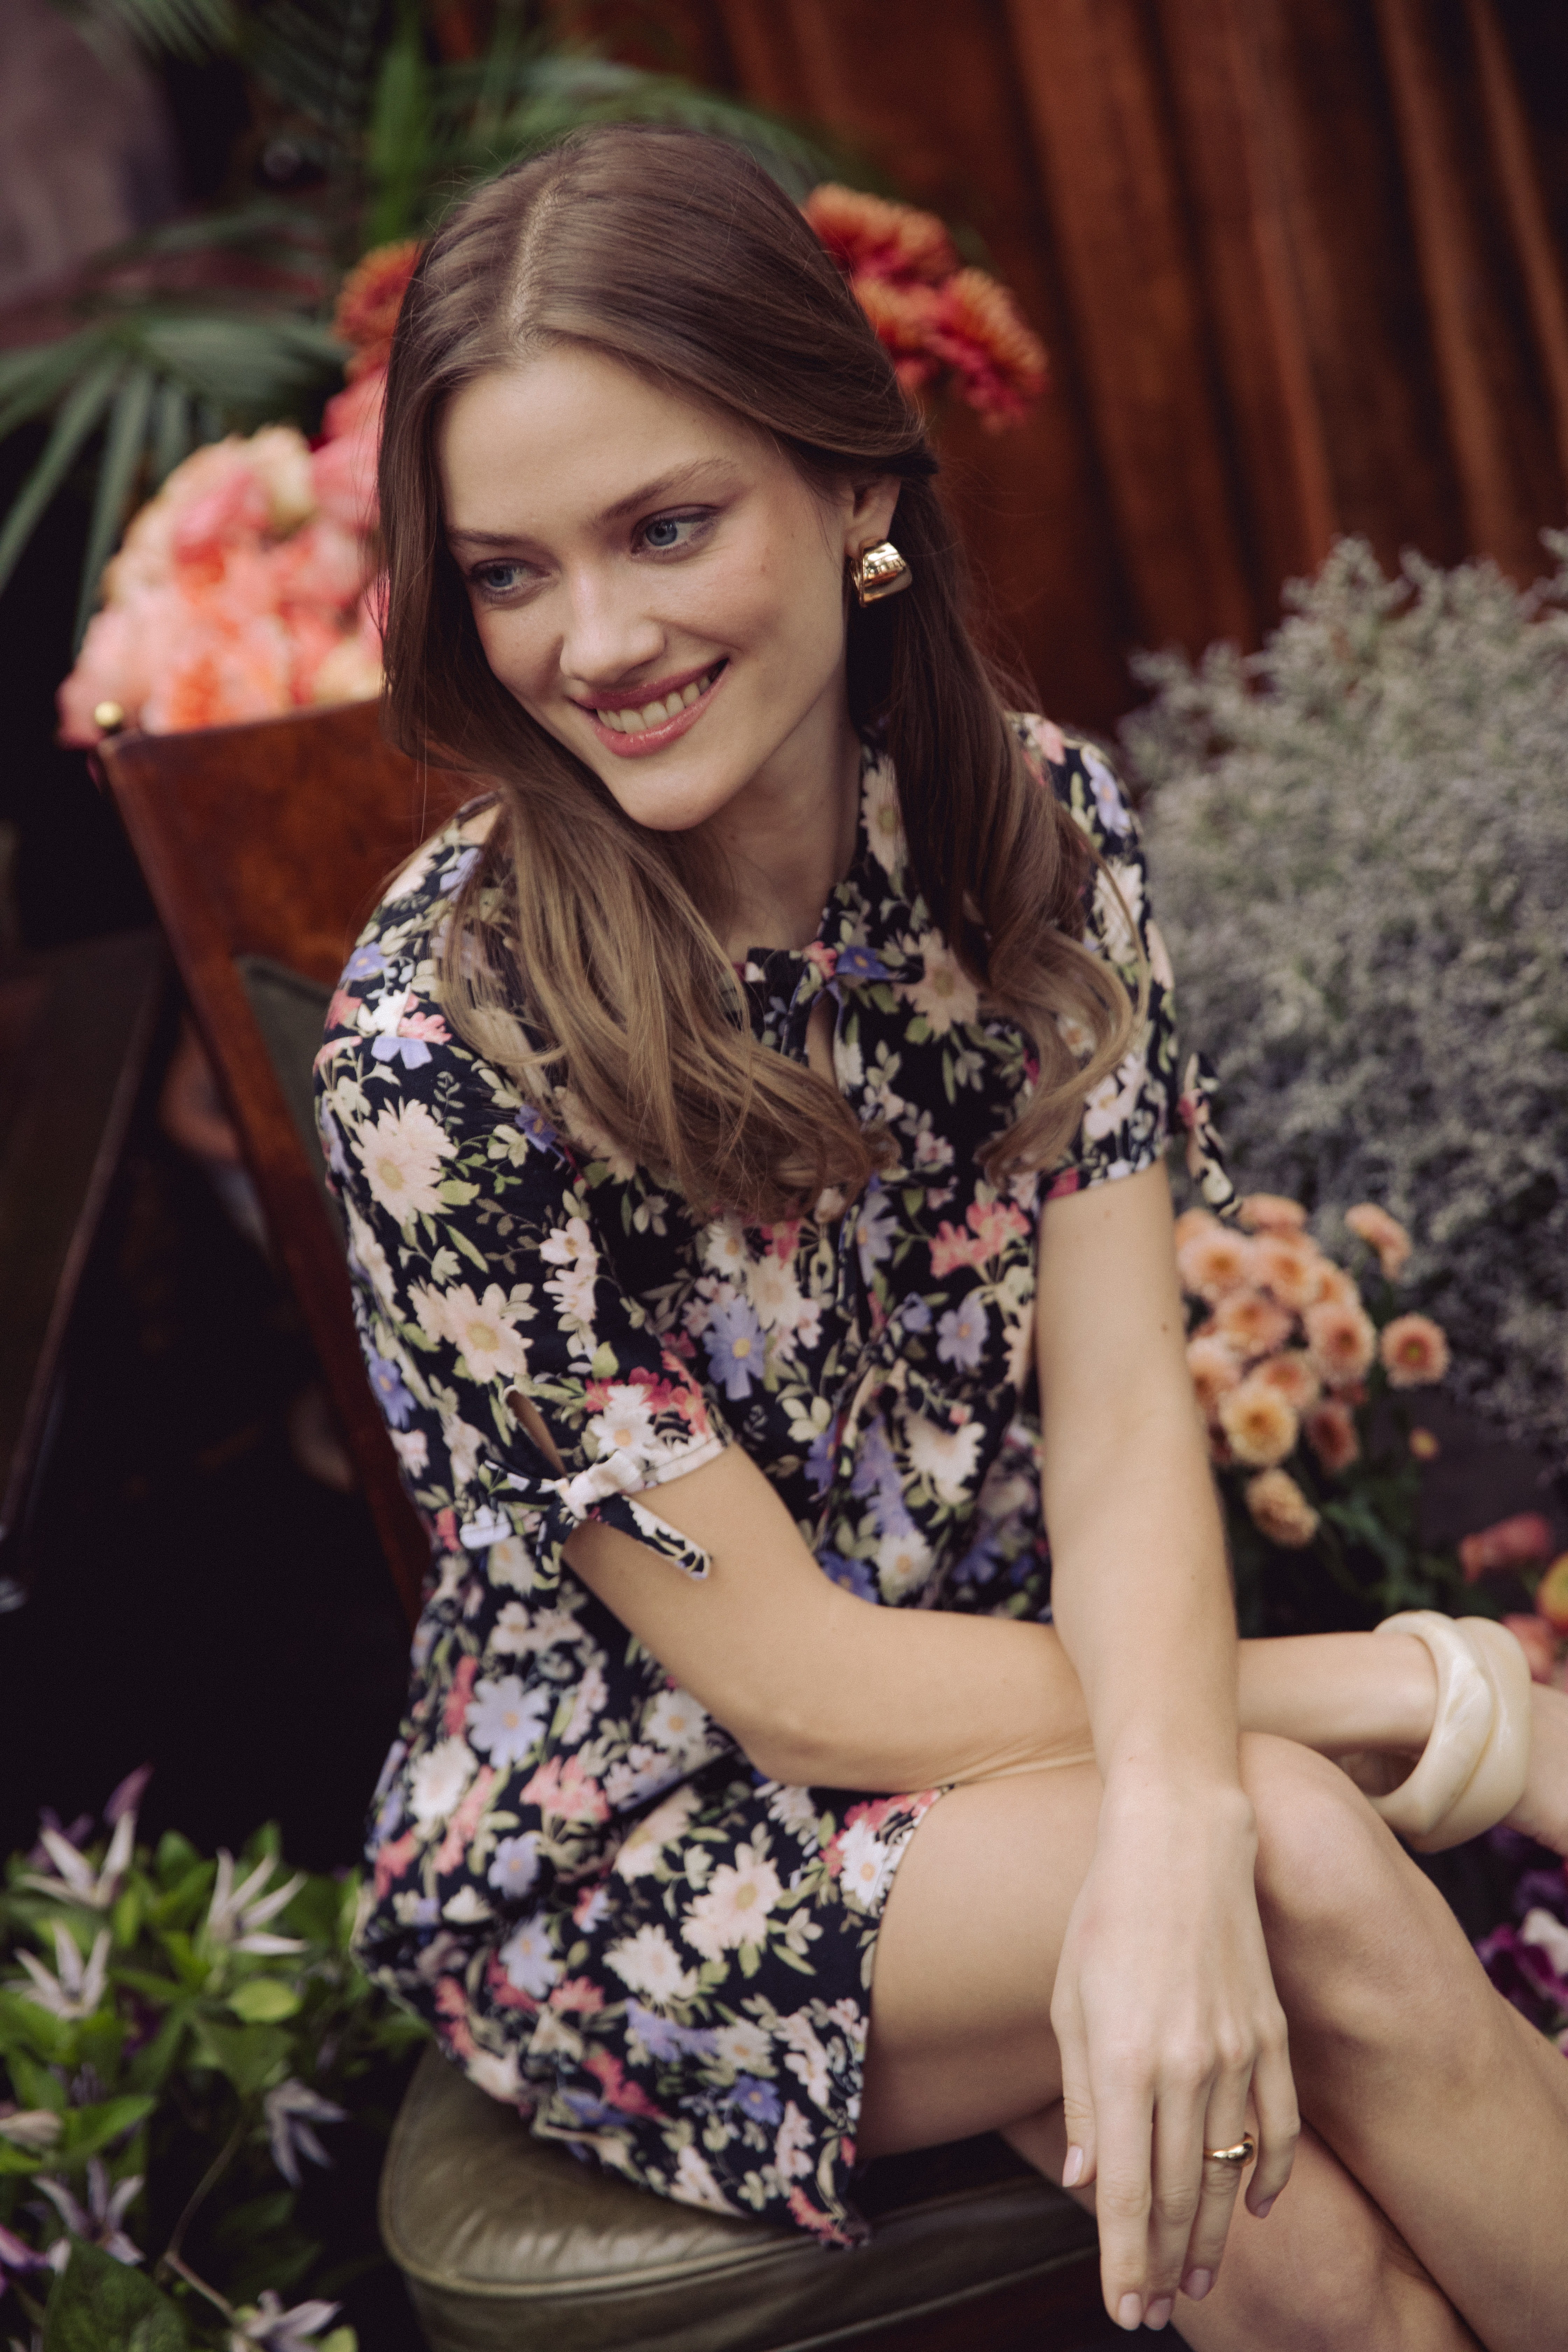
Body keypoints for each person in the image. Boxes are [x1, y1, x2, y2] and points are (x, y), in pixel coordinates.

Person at [316, 125, 1568, 2347]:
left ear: (857, 490)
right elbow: (797, 1690)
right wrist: (1427, 1700)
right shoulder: (438, 1054)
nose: (592, 641)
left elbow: (1113, 1444)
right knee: (1284, 1865)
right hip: (647, 1850)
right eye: (508, 573)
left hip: (1033, 1741)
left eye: (666, 526)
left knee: (1238, 2076)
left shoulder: (1039, 832)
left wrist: (1163, 1815)